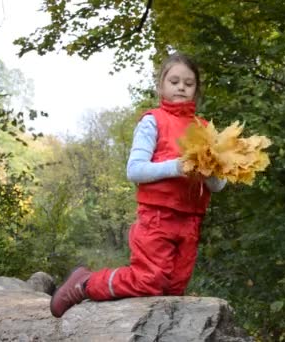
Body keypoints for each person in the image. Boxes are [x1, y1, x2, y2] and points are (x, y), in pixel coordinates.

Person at [50, 52, 227, 318]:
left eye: (188, 83)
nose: (181, 87)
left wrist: (211, 173)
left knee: (174, 288)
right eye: (174, 81)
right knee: (149, 281)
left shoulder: (204, 129)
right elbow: (135, 170)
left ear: (196, 90)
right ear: (161, 86)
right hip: (157, 217)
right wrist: (177, 167)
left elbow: (218, 185)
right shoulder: (153, 121)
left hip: (191, 221)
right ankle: (84, 283)